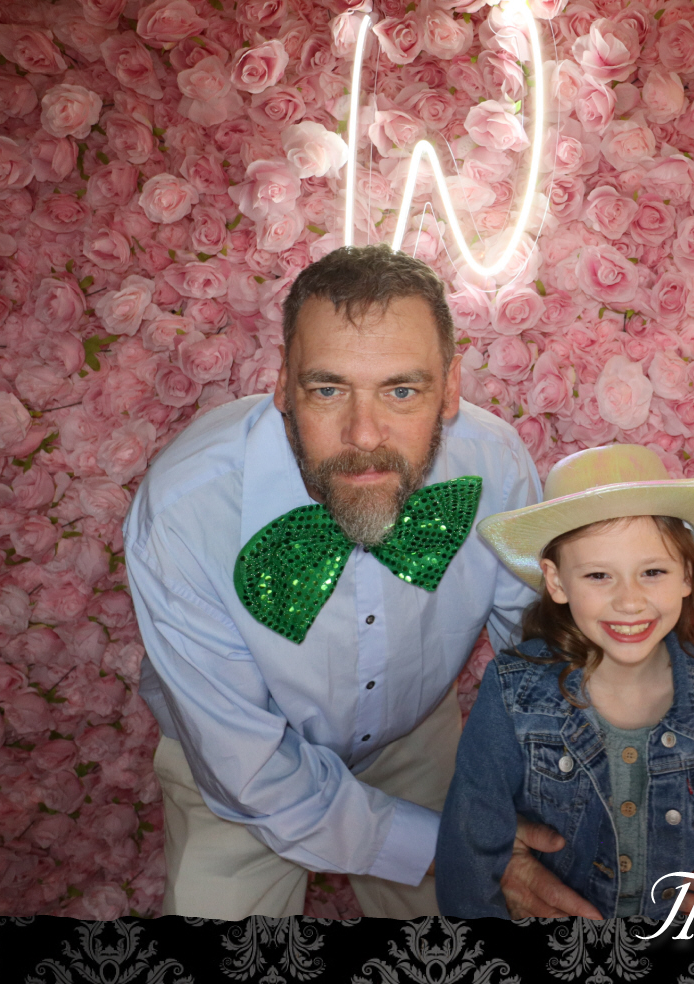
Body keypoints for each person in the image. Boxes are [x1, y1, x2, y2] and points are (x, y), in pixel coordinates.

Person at [125, 244, 566, 919]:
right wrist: (455, 847)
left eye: (401, 390)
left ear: (451, 388)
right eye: (328, 390)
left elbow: (539, 661)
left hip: (415, 739)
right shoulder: (186, 509)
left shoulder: (493, 462)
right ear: (283, 384)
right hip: (236, 763)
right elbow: (250, 771)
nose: (364, 434)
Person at [435, 443, 694, 921]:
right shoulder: (513, 693)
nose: (630, 601)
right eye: (599, 575)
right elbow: (470, 858)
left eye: (653, 572)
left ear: (686, 574)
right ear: (557, 582)